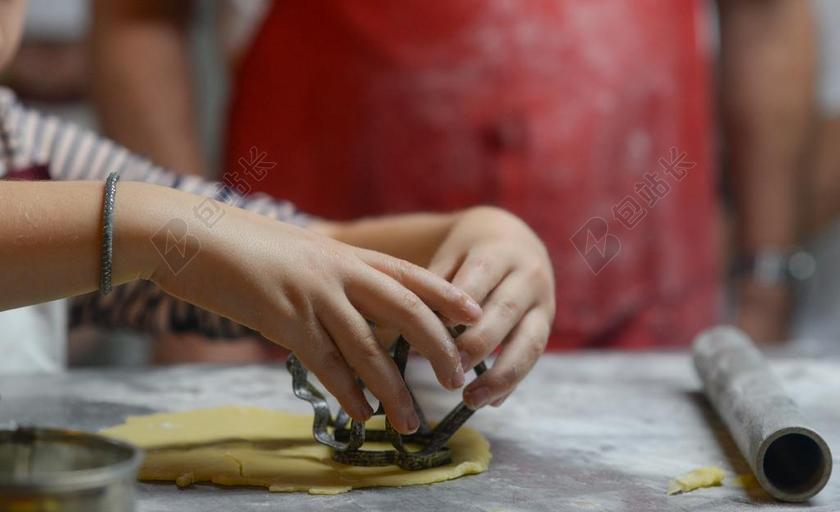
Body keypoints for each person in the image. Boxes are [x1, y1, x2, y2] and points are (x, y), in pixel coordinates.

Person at [93, 0, 817, 349]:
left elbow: (772, 13)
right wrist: (194, 298)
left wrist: (768, 275)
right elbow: (139, 18)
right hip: (312, 330)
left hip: (648, 318)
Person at [0, 0, 556, 431]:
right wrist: (148, 227)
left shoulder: (25, 150)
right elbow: (161, 233)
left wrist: (474, 238)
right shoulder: (122, 213)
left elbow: (289, 251)